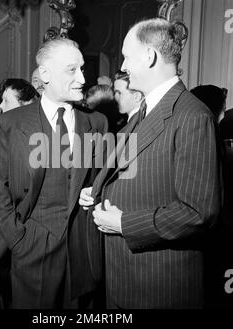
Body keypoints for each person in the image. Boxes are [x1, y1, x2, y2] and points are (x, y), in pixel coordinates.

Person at [80, 18, 222, 309]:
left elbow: (198, 212)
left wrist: (123, 223)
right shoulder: (143, 111)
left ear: (149, 56)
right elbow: (131, 173)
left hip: (159, 286)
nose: (124, 65)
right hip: (124, 279)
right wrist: (97, 193)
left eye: (126, 56)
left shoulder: (192, 116)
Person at [0, 37, 108, 309]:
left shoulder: (96, 122)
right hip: (31, 244)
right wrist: (18, 238)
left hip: (83, 251)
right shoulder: (9, 124)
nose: (83, 78)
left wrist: (94, 193)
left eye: (82, 69)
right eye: (72, 70)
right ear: (46, 74)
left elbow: (102, 179)